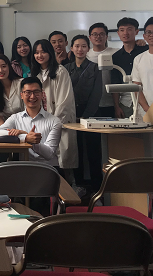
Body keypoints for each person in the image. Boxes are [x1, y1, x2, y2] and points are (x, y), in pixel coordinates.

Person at [30, 39, 77, 173]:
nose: (40, 55)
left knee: (61, 165)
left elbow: (64, 102)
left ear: (50, 53)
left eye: (43, 52)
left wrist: (52, 124)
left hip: (58, 122)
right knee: (44, 165)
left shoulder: (60, 71)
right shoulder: (35, 74)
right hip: (41, 123)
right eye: (36, 52)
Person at [64, 35, 103, 191]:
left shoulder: (95, 68)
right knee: (76, 150)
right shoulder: (66, 68)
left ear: (88, 48)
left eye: (83, 46)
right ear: (72, 48)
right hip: (71, 113)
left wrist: (85, 115)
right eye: (77, 46)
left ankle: (97, 188)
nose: (80, 49)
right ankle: (79, 184)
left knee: (93, 151)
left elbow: (96, 94)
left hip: (90, 114)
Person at [0, 78, 61, 166]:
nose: (32, 96)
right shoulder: (15, 118)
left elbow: (49, 154)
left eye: (36, 92)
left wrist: (32, 142)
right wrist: (24, 137)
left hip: (47, 168)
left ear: (42, 94)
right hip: (23, 167)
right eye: (28, 92)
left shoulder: (55, 121)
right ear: (21, 95)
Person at [111, 17, 149, 118]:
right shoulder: (116, 57)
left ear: (136, 31)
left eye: (129, 29)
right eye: (122, 30)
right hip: (126, 103)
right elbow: (115, 83)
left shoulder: (147, 51)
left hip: (147, 99)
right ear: (118, 33)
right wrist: (116, 106)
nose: (125, 33)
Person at [87, 22, 119, 117]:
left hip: (111, 101)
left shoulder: (115, 52)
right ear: (90, 37)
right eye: (95, 34)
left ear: (106, 37)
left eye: (102, 34)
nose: (98, 37)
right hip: (91, 103)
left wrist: (139, 42)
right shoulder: (86, 54)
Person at [0, 54, 22, 126]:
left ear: (9, 66)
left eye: (3, 66)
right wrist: (7, 130)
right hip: (7, 127)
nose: (0, 70)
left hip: (25, 125)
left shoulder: (21, 84)